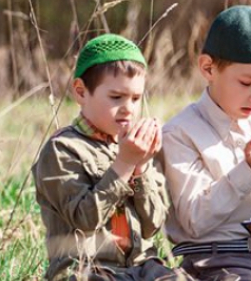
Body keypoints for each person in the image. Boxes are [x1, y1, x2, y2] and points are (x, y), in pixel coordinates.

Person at [160, 5, 251, 281]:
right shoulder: (180, 133)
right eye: (246, 83)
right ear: (208, 68)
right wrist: (249, 173)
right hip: (216, 261)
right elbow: (194, 221)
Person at [32, 34, 183, 280]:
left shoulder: (132, 146)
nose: (129, 108)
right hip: (88, 268)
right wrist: (124, 164)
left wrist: (141, 167)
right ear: (81, 92)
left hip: (142, 265)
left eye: (136, 98)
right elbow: (84, 220)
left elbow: (151, 227)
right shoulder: (62, 150)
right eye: (116, 97)